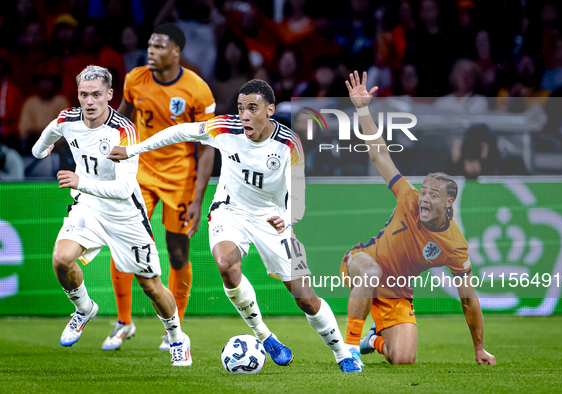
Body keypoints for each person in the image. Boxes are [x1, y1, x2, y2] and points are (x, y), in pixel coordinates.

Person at [108, 79, 363, 373]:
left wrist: (288, 217)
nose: (244, 115)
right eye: (241, 108)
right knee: (226, 264)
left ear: (270, 110)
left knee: (306, 297)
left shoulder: (289, 144)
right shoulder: (224, 128)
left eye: (252, 108)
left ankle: (342, 353)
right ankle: (265, 337)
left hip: (273, 219)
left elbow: (299, 196)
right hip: (229, 210)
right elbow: (180, 132)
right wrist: (133, 150)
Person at [31, 65, 191, 366]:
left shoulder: (124, 130)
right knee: (61, 259)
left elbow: (124, 188)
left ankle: (177, 338)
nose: (89, 102)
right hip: (88, 207)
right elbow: (45, 139)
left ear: (109, 95)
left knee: (151, 286)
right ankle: (84, 309)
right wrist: (42, 150)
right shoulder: (68, 119)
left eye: (95, 95)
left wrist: (81, 182)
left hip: (124, 215)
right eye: (83, 95)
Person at [342, 71, 496, 366]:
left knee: (403, 359)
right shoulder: (408, 198)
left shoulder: (454, 245)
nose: (424, 197)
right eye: (424, 191)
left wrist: (479, 347)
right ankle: (348, 349)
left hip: (397, 292)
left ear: (448, 202)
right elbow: (380, 155)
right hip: (362, 261)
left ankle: (372, 339)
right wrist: (362, 109)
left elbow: (468, 299)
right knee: (371, 272)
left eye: (433, 194)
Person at [102, 24, 216, 351]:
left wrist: (198, 198)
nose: (151, 50)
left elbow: (207, 147)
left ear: (176, 52)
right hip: (139, 173)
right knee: (124, 242)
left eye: (159, 46)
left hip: (181, 178)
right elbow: (120, 119)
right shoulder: (135, 78)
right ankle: (124, 322)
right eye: (149, 44)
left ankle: (174, 328)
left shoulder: (197, 90)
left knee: (178, 251)